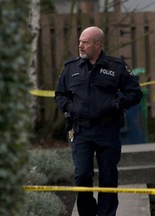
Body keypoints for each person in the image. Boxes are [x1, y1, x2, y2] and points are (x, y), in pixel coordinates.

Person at [55, 26, 143, 216]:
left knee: (108, 177)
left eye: (85, 42)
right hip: (80, 131)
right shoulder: (71, 68)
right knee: (82, 175)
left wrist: (116, 104)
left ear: (97, 44)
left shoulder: (116, 67)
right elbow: (60, 95)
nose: (80, 45)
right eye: (79, 41)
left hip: (107, 130)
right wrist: (71, 108)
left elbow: (135, 93)